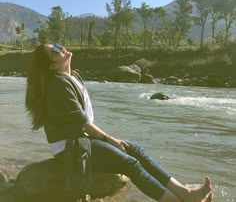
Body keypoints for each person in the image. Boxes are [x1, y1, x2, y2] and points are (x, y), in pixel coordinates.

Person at [25, 43, 213, 202]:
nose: (61, 47)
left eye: (58, 44)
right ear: (51, 66)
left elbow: (84, 123)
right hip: (69, 146)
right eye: (56, 50)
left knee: (136, 150)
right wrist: (109, 139)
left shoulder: (72, 77)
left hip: (81, 138)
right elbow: (83, 123)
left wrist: (110, 140)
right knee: (130, 164)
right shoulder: (59, 84)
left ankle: (184, 192)